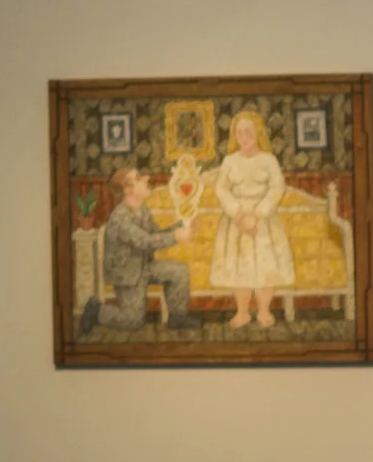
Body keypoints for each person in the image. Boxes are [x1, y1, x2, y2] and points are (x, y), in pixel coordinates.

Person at [80, 166, 197, 335]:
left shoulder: (142, 209)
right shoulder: (121, 218)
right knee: (133, 321)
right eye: (139, 178)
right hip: (127, 274)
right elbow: (146, 242)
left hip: (144, 266)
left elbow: (155, 235)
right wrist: (176, 236)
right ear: (128, 190)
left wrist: (182, 226)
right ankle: (96, 310)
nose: (147, 178)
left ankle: (178, 318)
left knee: (179, 270)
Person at [210, 111, 293, 328]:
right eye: (239, 132)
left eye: (248, 131)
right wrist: (238, 214)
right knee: (240, 268)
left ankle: (264, 311)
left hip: (263, 221)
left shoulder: (268, 160)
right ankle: (243, 312)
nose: (244, 136)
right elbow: (221, 189)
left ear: (258, 133)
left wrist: (257, 215)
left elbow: (277, 188)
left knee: (265, 267)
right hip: (236, 222)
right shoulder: (230, 161)